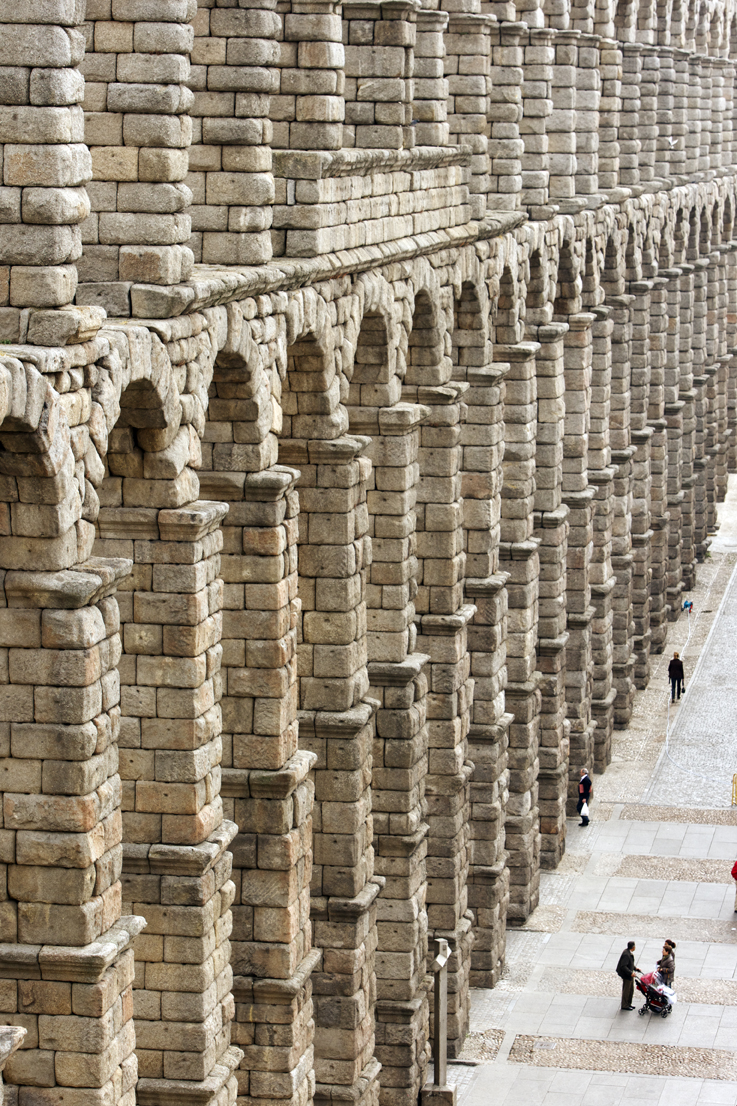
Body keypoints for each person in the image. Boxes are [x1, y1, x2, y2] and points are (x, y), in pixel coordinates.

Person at [616, 941, 640, 1010]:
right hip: (627, 975)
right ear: (633, 947)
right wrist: (630, 973)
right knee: (627, 990)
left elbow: (630, 963)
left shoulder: (628, 953)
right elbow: (623, 966)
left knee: (630, 990)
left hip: (629, 975)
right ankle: (625, 1005)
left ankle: (628, 1003)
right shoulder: (626, 955)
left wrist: (635, 968)